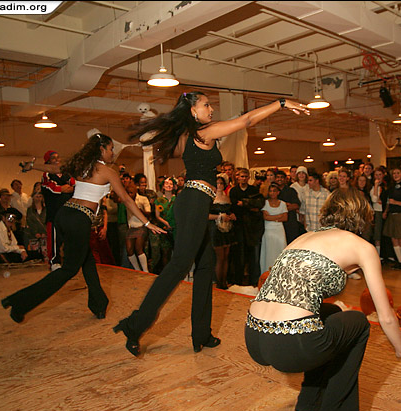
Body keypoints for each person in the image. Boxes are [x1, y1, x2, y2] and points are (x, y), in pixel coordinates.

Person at [114, 92, 310, 357]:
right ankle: (135, 325)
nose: (211, 109)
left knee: (206, 267)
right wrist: (281, 103)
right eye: (206, 105)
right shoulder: (203, 133)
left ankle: (201, 334)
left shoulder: (194, 134)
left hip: (197, 202)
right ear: (193, 111)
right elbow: (246, 120)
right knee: (179, 265)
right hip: (193, 202)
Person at [245, 187, 401, 411]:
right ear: (362, 215)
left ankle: (307, 407)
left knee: (332, 313)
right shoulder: (362, 247)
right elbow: (385, 317)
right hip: (291, 344)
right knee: (358, 323)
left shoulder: (304, 237)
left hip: (255, 337)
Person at [0, 133, 165, 324]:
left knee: (87, 260)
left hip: (65, 214)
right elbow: (127, 200)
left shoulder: (80, 165)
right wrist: (147, 223)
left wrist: (31, 166)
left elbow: (54, 168)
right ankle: (19, 302)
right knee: (69, 270)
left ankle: (99, 304)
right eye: (110, 149)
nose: (112, 153)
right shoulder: (108, 172)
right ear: (101, 149)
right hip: (78, 219)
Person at [230, 167, 266, 288]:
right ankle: (238, 281)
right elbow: (234, 206)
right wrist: (250, 205)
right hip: (238, 226)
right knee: (239, 255)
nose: (243, 179)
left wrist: (245, 203)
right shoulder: (234, 191)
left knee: (252, 255)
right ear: (238, 178)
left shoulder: (254, 189)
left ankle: (253, 281)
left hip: (252, 226)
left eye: (246, 176)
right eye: (241, 176)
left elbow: (259, 204)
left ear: (249, 178)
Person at [40, 150, 76, 271]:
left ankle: (69, 260)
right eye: (53, 158)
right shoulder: (47, 175)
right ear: (48, 162)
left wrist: (65, 188)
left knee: (69, 238)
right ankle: (54, 261)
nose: (57, 160)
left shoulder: (66, 174)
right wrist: (63, 188)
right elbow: (54, 189)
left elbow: (74, 185)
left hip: (68, 212)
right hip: (54, 212)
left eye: (57, 157)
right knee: (55, 239)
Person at [209, 174, 235, 289]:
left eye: (221, 183)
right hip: (215, 229)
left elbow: (229, 211)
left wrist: (232, 215)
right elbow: (206, 215)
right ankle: (219, 283)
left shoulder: (227, 198)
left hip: (227, 229)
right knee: (220, 257)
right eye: (217, 183)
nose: (219, 185)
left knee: (226, 257)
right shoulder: (210, 198)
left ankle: (224, 281)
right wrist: (219, 217)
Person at [382, 168, 401, 269]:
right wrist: (386, 211)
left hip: (400, 214)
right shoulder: (391, 187)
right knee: (393, 238)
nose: (396, 175)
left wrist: (396, 202)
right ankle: (399, 261)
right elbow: (388, 201)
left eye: (398, 173)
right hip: (391, 214)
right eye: (394, 173)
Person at [260, 183, 288, 274]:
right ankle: (267, 272)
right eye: (270, 191)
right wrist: (278, 216)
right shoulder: (265, 203)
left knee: (280, 249)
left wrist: (272, 217)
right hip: (268, 230)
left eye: (274, 191)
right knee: (269, 251)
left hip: (279, 230)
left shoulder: (283, 204)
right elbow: (265, 217)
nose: (272, 193)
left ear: (278, 192)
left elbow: (285, 218)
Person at [151, 177, 178, 274]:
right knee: (165, 252)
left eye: (171, 184)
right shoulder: (159, 200)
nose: (169, 186)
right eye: (166, 184)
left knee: (176, 251)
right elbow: (157, 216)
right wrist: (166, 223)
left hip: (176, 228)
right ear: (163, 186)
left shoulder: (177, 199)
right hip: (164, 228)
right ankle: (166, 273)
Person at [125, 182, 152, 272]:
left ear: (135, 192)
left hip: (141, 225)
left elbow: (149, 213)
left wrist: (139, 210)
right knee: (129, 250)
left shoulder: (142, 199)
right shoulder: (126, 200)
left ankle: (145, 270)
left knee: (139, 248)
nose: (129, 194)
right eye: (128, 192)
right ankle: (137, 269)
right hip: (131, 227)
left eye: (131, 192)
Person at [275, 169, 304, 244]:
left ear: (285, 179)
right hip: (276, 224)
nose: (279, 179)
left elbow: (296, 205)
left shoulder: (291, 190)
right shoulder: (272, 191)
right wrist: (286, 206)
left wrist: (281, 208)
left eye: (282, 177)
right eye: (278, 177)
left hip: (290, 224)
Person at [23, 190, 47, 260]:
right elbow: (30, 222)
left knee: (45, 253)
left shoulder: (46, 209)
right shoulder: (30, 210)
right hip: (33, 235)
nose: (38, 198)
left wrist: (44, 232)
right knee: (35, 253)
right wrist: (35, 232)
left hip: (45, 234)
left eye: (40, 196)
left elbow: (47, 221)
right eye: (37, 197)